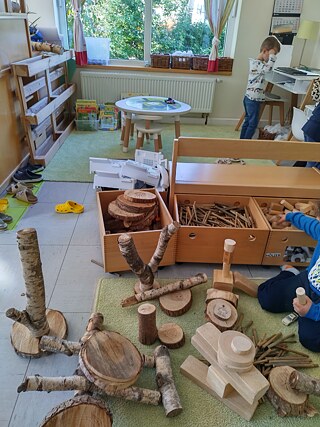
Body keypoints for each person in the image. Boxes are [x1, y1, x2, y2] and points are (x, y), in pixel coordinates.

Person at [258, 210, 320, 352]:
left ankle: (305, 314)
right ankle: (290, 272)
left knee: (310, 340)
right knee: (266, 297)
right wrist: (291, 216)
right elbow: (311, 225)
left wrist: (313, 312)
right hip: (307, 282)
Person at [240, 36, 281, 140]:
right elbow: (268, 69)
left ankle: (242, 141)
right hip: (252, 99)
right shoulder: (257, 64)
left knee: (248, 121)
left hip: (251, 98)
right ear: (264, 51)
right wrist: (272, 56)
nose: (273, 56)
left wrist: (271, 54)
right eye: (272, 53)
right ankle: (245, 143)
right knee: (252, 123)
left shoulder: (257, 64)